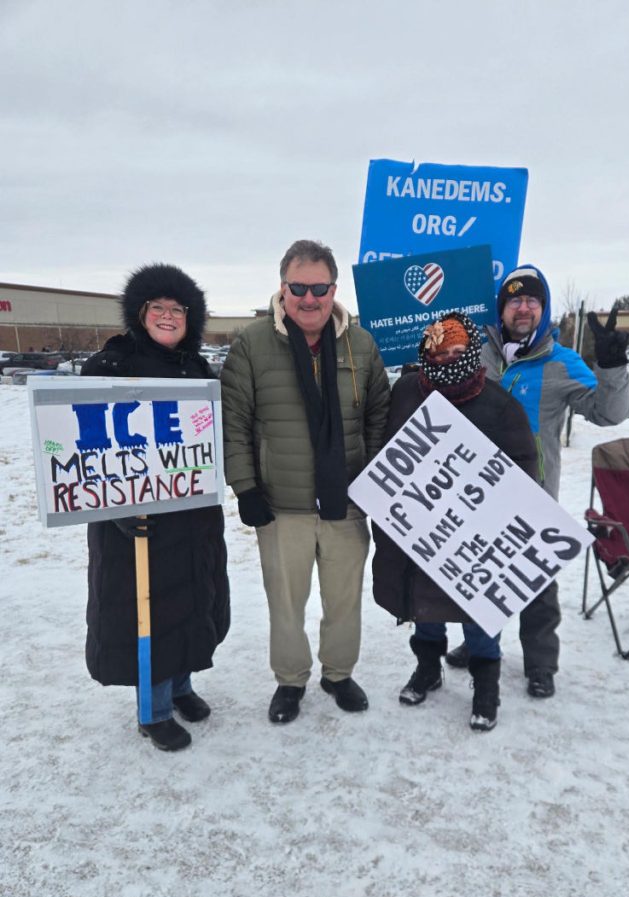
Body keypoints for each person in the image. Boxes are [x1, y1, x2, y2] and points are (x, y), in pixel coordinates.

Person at [220, 239, 390, 725]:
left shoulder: (360, 344)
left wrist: (377, 476)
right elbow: (235, 420)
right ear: (282, 287)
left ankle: (338, 673)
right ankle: (290, 680)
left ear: (334, 289)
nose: (309, 298)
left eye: (319, 288)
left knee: (344, 599)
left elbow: (379, 411)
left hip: (347, 503)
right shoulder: (253, 343)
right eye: (299, 287)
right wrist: (246, 488)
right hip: (282, 504)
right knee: (286, 603)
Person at [445, 265, 629, 698]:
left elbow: (608, 412)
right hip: (477, 491)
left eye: (532, 300)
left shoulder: (561, 362)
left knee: (537, 583)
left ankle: (540, 663)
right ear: (502, 308)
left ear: (543, 309)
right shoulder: (476, 354)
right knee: (477, 574)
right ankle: (477, 644)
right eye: (514, 300)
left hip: (533, 492)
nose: (523, 307)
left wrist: (613, 367)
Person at [81, 264, 231, 752]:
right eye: (158, 308)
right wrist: (115, 507)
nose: (168, 316)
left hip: (191, 517)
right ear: (140, 313)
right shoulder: (111, 365)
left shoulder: (198, 368)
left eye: (177, 309)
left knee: (190, 600)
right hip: (135, 526)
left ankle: (181, 685)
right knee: (150, 608)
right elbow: (86, 452)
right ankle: (154, 709)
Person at [371, 312, 537, 732]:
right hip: (421, 529)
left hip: (475, 536)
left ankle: (486, 687)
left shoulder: (499, 404)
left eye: (458, 352)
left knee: (479, 614)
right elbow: (386, 447)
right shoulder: (407, 391)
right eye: (439, 352)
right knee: (423, 606)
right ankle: (428, 669)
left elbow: (523, 468)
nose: (448, 359)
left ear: (473, 352)